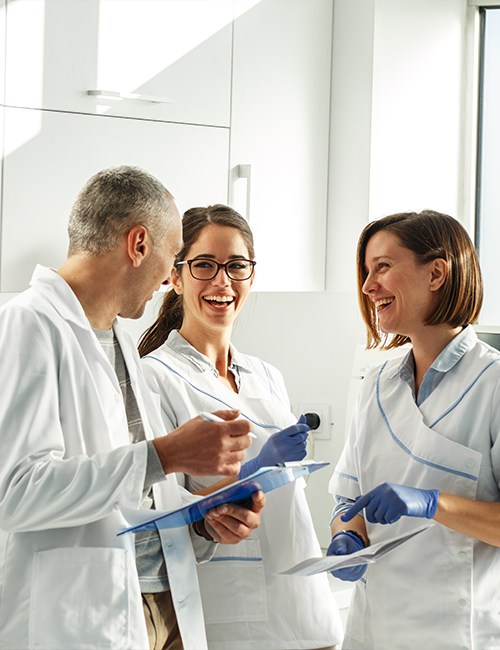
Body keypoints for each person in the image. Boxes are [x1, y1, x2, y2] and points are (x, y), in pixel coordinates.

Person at [0, 167, 265, 650]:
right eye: (173, 256)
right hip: (81, 616)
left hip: (165, 603)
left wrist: (203, 519)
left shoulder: (123, 338)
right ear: (138, 244)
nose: (170, 277)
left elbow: (133, 496)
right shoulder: (28, 326)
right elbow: (15, 493)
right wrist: (165, 455)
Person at [138, 204, 343, 650]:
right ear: (176, 276)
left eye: (236, 266)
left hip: (303, 602)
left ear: (251, 276)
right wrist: (252, 472)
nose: (222, 281)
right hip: (224, 611)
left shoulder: (267, 375)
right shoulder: (154, 378)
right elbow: (161, 517)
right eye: (205, 265)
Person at [327, 210, 500, 649]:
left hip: (460, 635)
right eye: (366, 272)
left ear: (437, 273)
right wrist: (346, 532)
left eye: (382, 267)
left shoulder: (493, 384)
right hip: (374, 629)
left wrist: (431, 503)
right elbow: (349, 495)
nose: (368, 287)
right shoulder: (376, 385)